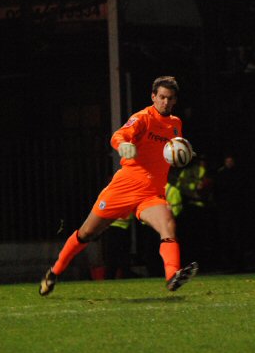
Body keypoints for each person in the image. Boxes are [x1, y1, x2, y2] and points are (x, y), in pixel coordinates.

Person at [39, 76, 198, 296]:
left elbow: (169, 153)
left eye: (169, 98)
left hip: (151, 194)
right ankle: (54, 272)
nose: (164, 101)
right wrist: (123, 145)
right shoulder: (142, 118)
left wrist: (183, 155)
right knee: (86, 233)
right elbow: (119, 135)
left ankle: (172, 276)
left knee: (168, 224)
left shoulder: (176, 124)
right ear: (153, 97)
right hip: (123, 189)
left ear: (174, 101)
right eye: (161, 97)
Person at [213, 154, 244, 272]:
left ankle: (237, 264)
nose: (230, 163)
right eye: (228, 161)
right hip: (225, 210)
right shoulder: (221, 175)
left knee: (236, 236)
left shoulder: (237, 174)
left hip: (234, 210)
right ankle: (227, 264)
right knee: (225, 237)